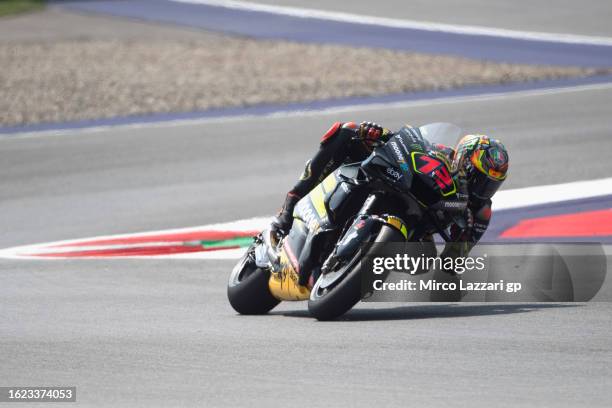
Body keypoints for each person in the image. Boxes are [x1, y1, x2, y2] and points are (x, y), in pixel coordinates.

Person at [271, 121, 509, 270]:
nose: (484, 189)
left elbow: (451, 264)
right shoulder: (442, 152)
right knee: (348, 131)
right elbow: (408, 143)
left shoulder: (480, 212)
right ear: (463, 160)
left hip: (417, 231)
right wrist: (381, 134)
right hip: (398, 188)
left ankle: (363, 271)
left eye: (491, 185)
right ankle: (291, 202)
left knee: (424, 263)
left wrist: (463, 236)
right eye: (479, 178)